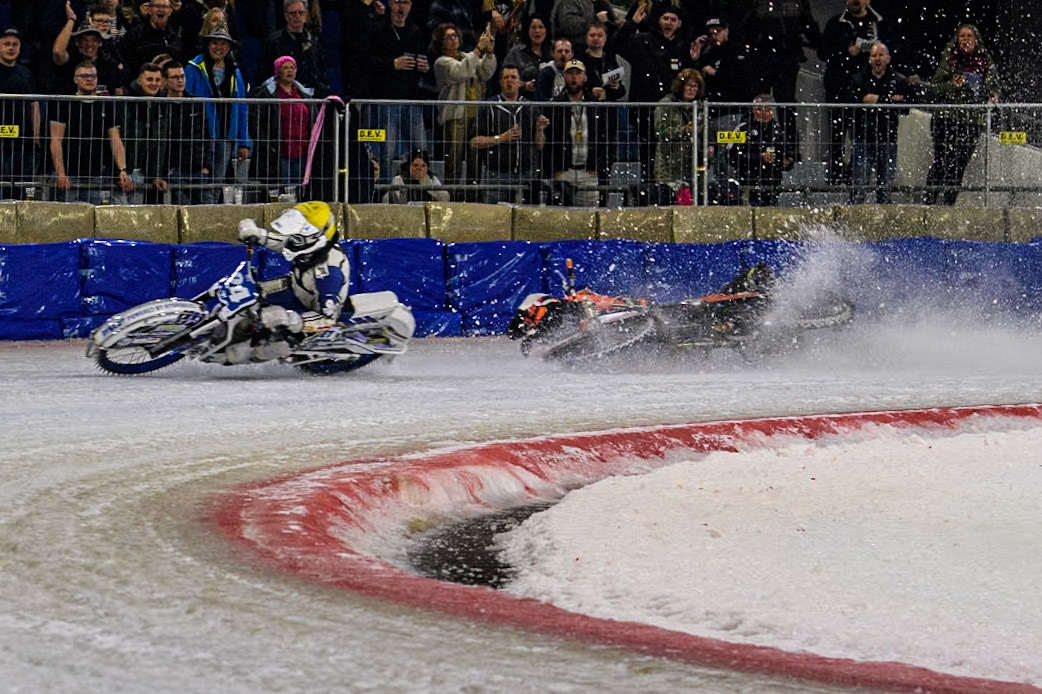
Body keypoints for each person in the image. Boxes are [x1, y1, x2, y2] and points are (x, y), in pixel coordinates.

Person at [228, 201, 351, 365]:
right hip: (296, 290)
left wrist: (291, 320)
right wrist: (257, 234)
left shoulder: (329, 272)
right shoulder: (310, 245)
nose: (291, 241)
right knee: (252, 299)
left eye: (297, 238)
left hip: (311, 313)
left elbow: (328, 319)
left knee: (270, 346)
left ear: (315, 237)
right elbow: (284, 243)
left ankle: (254, 362)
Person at [818, 0, 898, 185]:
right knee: (837, 134)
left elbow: (892, 49)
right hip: (838, 88)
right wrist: (847, 51)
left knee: (862, 135)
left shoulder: (879, 23)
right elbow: (823, 52)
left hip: (866, 89)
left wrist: (875, 51)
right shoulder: (835, 23)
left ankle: (859, 177)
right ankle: (836, 176)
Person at [922, 24, 999, 206]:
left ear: (976, 40)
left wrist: (994, 96)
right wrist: (951, 86)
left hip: (971, 121)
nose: (965, 39)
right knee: (941, 162)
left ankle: (949, 206)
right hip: (946, 119)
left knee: (959, 167)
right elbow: (934, 89)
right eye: (962, 36)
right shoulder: (949, 60)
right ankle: (929, 203)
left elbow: (995, 86)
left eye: (969, 36)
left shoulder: (985, 62)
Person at [49, 60, 135, 203]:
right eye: (84, 76)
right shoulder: (64, 103)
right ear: (75, 79)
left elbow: (115, 140)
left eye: (93, 76)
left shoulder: (107, 105)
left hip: (95, 174)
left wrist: (122, 169)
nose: (89, 79)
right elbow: (56, 140)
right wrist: (61, 173)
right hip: (69, 173)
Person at [364, 0, 429, 184]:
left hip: (411, 99)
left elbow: (422, 59)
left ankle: (420, 190)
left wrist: (424, 67)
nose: (402, 7)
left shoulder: (415, 32)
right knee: (387, 151)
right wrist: (392, 64)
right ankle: (384, 190)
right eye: (399, 2)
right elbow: (366, 62)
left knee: (420, 149)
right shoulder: (377, 30)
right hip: (387, 99)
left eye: (407, 3)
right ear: (391, 4)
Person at [185, 25, 251, 202]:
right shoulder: (193, 68)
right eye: (215, 43)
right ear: (208, 45)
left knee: (216, 183)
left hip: (225, 136)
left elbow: (242, 107)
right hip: (199, 136)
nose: (218, 48)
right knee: (198, 182)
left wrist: (243, 141)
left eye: (223, 44)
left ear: (229, 48)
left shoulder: (235, 72)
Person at [470, 65, 549, 203]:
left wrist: (540, 129)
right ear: (500, 82)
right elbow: (475, 142)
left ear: (520, 83)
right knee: (495, 219)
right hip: (496, 175)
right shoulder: (488, 106)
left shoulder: (530, 107)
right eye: (506, 77)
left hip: (525, 174)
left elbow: (540, 145)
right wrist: (502, 137)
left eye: (513, 77)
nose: (509, 81)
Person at [432, 21, 496, 187]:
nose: (453, 39)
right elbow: (460, 71)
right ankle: (451, 197)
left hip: (474, 116)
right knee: (453, 161)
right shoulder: (441, 63)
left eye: (455, 35)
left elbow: (485, 72)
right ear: (441, 42)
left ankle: (473, 196)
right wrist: (479, 50)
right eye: (448, 37)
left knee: (475, 160)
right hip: (455, 117)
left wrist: (489, 52)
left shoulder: (467, 57)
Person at [848, 41, 913, 204]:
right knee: (859, 188)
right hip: (863, 138)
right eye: (874, 55)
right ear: (869, 59)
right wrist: (890, 101)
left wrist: (879, 100)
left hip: (887, 139)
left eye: (881, 55)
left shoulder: (898, 80)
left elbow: (905, 108)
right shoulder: (857, 79)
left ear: (888, 58)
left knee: (885, 189)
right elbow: (852, 104)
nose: (877, 59)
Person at [542, 59, 611, 207]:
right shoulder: (554, 105)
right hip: (564, 170)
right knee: (562, 216)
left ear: (585, 77)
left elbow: (606, 138)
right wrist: (555, 169)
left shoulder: (595, 105)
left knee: (589, 218)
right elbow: (549, 141)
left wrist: (599, 166)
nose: (574, 77)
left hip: (588, 171)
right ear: (564, 77)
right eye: (570, 73)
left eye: (578, 73)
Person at [248, 55, 313, 199]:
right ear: (277, 71)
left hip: (302, 150)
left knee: (299, 193)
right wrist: (267, 145)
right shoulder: (266, 94)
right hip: (278, 152)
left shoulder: (304, 94)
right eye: (285, 68)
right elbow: (256, 121)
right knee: (280, 193)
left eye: (292, 67)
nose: (290, 71)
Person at [728, 94, 798, 206]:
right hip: (747, 181)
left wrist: (786, 161)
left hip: (771, 183)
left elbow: (787, 154)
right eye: (760, 109)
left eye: (768, 110)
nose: (764, 113)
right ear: (754, 110)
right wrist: (758, 158)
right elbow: (731, 156)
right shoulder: (741, 129)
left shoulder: (778, 131)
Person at [162, 59, 212, 204]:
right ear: (165, 81)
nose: (180, 81)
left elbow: (206, 135)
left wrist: (206, 165)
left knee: (206, 211)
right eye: (175, 77)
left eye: (182, 76)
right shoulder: (160, 104)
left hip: (198, 168)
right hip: (174, 169)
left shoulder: (196, 103)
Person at [118, 61, 168, 203]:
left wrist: (155, 175)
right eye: (149, 79)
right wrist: (122, 171)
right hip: (124, 172)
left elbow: (160, 142)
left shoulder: (161, 104)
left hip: (141, 172)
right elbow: (120, 138)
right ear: (140, 80)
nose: (154, 83)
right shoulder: (126, 101)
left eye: (157, 80)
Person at [0, 27, 41, 200]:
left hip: (23, 140)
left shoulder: (26, 73)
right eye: (6, 44)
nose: (11, 48)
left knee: (21, 186)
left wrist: (36, 135)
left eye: (15, 44)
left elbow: (34, 104)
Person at [654, 68, 704, 198]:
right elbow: (660, 131)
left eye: (695, 86)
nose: (692, 89)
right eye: (689, 86)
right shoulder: (666, 104)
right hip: (668, 162)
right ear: (680, 86)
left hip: (691, 163)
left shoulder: (700, 107)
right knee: (668, 199)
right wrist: (684, 130)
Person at [260, 0, 329, 95]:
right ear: (286, 16)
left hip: (313, 97)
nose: (297, 16)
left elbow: (321, 73)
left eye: (301, 13)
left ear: (306, 15)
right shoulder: (273, 42)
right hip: (284, 97)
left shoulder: (314, 42)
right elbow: (265, 75)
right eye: (293, 13)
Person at [52, 18, 130, 94]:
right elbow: (58, 52)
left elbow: (119, 92)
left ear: (100, 43)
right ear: (77, 42)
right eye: (85, 40)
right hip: (71, 106)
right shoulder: (71, 60)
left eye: (94, 40)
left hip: (101, 106)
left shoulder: (109, 65)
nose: (89, 45)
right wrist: (71, 20)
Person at [121, 0, 184, 74]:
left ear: (170, 11)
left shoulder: (175, 37)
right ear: (149, 10)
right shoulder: (134, 35)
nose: (161, 9)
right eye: (157, 6)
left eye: (165, 7)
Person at [502, 14, 551, 99]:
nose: (537, 31)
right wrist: (525, 85)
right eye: (533, 28)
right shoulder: (516, 53)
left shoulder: (552, 52)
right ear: (527, 30)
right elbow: (504, 77)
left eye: (541, 27)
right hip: (522, 101)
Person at [384, 148, 451, 203]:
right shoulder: (399, 179)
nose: (419, 169)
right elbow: (396, 201)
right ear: (409, 166)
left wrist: (425, 182)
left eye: (423, 166)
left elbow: (445, 198)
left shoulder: (431, 178)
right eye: (415, 165)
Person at [533, 37, 572, 101]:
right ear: (553, 54)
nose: (563, 54)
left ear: (572, 54)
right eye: (559, 51)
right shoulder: (546, 72)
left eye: (567, 51)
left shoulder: (577, 72)